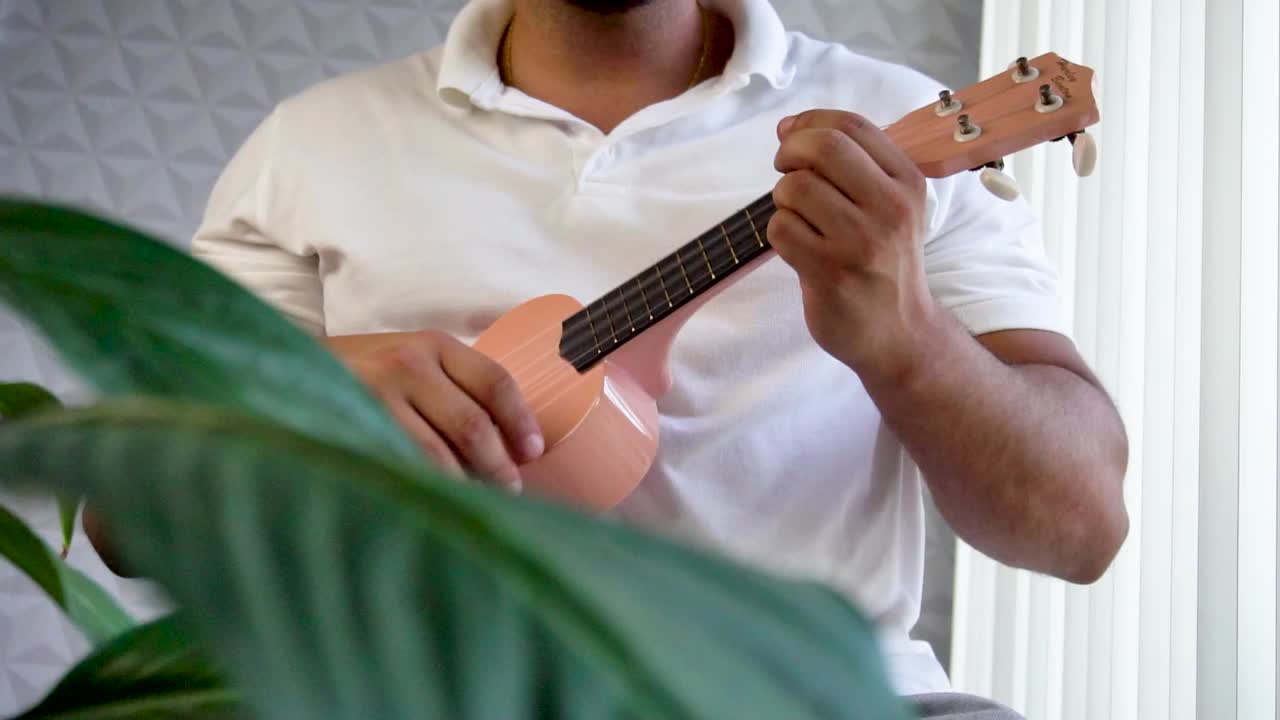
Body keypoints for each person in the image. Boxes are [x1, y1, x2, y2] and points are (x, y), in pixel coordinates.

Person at [186, 0, 1130, 716]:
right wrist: (304, 399)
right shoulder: (308, 146)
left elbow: (1080, 527)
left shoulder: (889, 128)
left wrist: (909, 342)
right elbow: (122, 518)